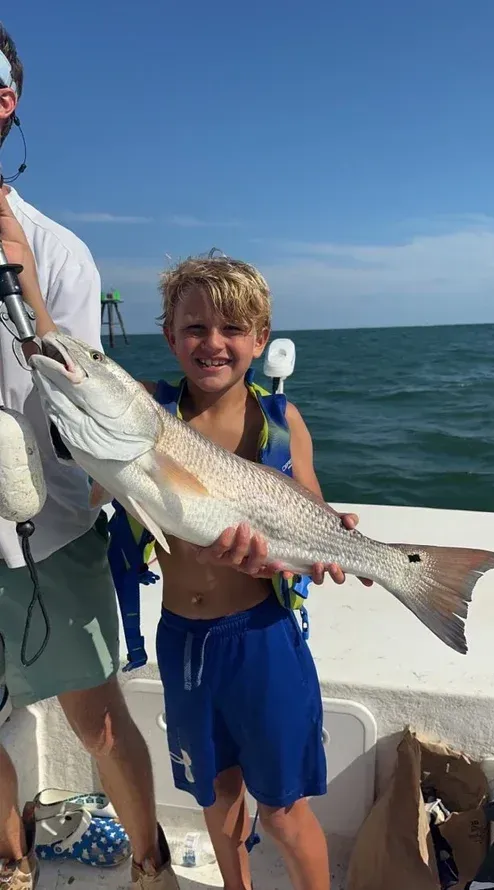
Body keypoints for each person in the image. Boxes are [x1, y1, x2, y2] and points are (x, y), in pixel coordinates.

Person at [0, 24, 180, 890]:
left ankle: (149, 865)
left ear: (6, 101)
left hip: (49, 532)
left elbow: (85, 409)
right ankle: (11, 861)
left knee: (98, 723)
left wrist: (23, 284)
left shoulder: (58, 252)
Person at [133, 254, 372, 890]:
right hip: (183, 642)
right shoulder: (147, 413)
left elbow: (311, 505)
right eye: (194, 329)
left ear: (260, 338)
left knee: (286, 809)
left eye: (233, 329)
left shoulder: (282, 420)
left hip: (264, 637)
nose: (213, 343)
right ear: (169, 337)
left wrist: (336, 537)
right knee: (216, 797)